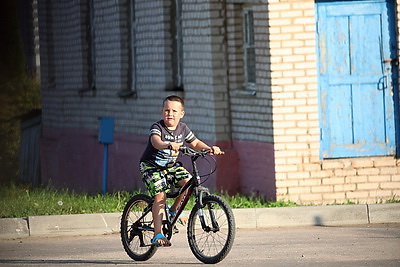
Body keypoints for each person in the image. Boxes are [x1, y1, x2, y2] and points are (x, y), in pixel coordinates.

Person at [139, 95, 223, 247]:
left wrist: (209, 149)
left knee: (189, 182)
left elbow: (195, 143)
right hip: (151, 166)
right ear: (161, 112)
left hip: (170, 167)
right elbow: (155, 142)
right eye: (166, 110)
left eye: (174, 111)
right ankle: (157, 234)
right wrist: (168, 145)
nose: (170, 114)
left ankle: (173, 210)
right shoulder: (157, 127)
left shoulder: (183, 128)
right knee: (160, 196)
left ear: (181, 114)